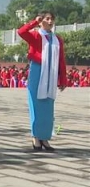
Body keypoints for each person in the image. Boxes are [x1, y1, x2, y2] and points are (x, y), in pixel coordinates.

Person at [17, 12, 67, 152]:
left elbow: (61, 60)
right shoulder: (36, 36)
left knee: (48, 107)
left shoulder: (57, 39)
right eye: (47, 19)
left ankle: (44, 138)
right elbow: (21, 32)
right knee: (36, 104)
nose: (50, 21)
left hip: (51, 73)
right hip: (38, 72)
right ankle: (36, 137)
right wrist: (34, 21)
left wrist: (62, 79)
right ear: (41, 21)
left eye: (52, 19)